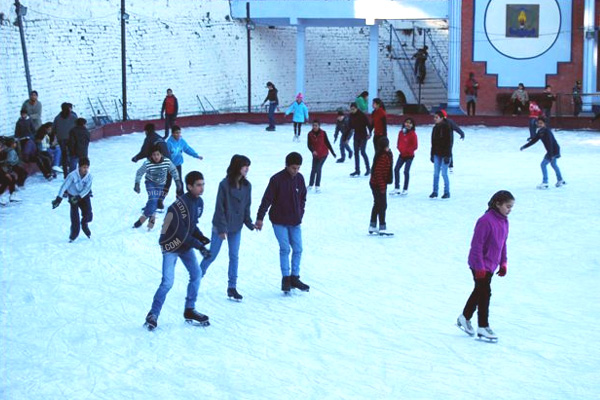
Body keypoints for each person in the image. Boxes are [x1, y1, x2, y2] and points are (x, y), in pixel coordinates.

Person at [144, 171, 212, 331]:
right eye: (198, 185)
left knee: (196, 275)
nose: (202, 188)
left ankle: (189, 310)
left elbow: (191, 225)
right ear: (189, 186)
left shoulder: (199, 202)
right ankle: (152, 314)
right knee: (168, 282)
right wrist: (199, 246)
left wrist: (200, 237)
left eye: (203, 184)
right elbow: (181, 234)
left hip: (185, 246)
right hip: (171, 244)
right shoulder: (177, 207)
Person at [456, 190, 514, 341]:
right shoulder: (485, 220)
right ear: (497, 204)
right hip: (479, 264)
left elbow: (503, 244)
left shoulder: (504, 221)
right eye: (507, 206)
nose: (510, 210)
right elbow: (477, 245)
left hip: (491, 264)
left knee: (479, 291)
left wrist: (503, 262)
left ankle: (464, 317)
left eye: (511, 207)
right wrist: (480, 267)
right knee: (485, 293)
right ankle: (483, 326)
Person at [200, 155, 255, 301]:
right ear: (237, 166)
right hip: (221, 226)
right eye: (245, 165)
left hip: (236, 226)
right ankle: (197, 276)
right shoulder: (224, 185)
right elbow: (220, 208)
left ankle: (232, 287)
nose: (247, 169)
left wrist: (250, 223)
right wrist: (222, 229)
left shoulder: (247, 186)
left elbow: (246, 206)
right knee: (212, 254)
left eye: (248, 166)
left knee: (234, 256)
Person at [255, 152, 309, 294]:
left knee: (298, 249)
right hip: (279, 221)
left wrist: (300, 212)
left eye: (298, 168)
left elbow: (303, 197)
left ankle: (294, 277)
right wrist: (260, 218)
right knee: (285, 248)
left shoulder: (300, 179)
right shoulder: (276, 180)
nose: (295, 171)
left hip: (295, 221)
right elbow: (267, 199)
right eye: (293, 168)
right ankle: (286, 278)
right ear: (286, 166)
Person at [133, 146, 182, 230]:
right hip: (150, 183)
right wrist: (137, 184)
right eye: (154, 155)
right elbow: (139, 172)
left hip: (161, 184)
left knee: (153, 202)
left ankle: (150, 218)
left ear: (161, 154)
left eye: (158, 154)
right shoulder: (147, 163)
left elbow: (173, 170)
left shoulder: (167, 161)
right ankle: (141, 221)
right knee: (153, 199)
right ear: (151, 156)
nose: (156, 157)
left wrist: (177, 181)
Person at [51, 157, 93, 242]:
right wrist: (59, 198)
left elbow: (87, 189)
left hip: (83, 196)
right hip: (73, 196)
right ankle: (73, 235)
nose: (86, 169)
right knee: (74, 217)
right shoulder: (72, 175)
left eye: (87, 167)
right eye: (84, 167)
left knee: (89, 214)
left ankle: (84, 223)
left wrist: (79, 197)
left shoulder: (90, 177)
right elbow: (64, 186)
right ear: (79, 167)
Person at [520, 116, 565, 189]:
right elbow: (534, 140)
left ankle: (545, 182)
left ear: (545, 124)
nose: (539, 125)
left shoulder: (547, 131)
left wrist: (550, 155)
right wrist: (525, 146)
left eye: (541, 123)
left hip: (553, 150)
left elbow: (550, 142)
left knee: (543, 164)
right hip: (552, 150)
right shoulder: (540, 131)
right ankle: (560, 180)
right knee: (553, 165)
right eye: (538, 123)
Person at [164, 125, 203, 201]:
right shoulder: (169, 143)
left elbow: (187, 148)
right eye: (176, 133)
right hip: (169, 166)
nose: (178, 135)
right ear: (172, 134)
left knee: (179, 182)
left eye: (179, 133)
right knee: (167, 183)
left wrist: (196, 155)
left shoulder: (181, 141)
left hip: (178, 165)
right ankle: (159, 201)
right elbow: (165, 155)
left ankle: (180, 199)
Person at [368, 137, 393, 236]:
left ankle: (373, 225)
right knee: (382, 205)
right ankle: (382, 226)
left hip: (378, 183)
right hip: (377, 184)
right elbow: (378, 173)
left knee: (378, 204)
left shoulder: (385, 155)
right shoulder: (382, 157)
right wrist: (382, 187)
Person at [307, 120, 336, 193]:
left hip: (323, 154)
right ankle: (310, 185)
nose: (314, 127)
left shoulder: (323, 133)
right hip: (315, 155)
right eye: (313, 125)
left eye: (316, 125)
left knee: (318, 168)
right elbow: (309, 144)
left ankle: (317, 186)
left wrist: (333, 152)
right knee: (313, 169)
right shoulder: (310, 134)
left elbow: (327, 142)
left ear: (319, 126)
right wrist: (313, 150)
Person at [392, 118, 418, 196]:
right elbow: (399, 142)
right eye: (406, 122)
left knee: (406, 171)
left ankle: (405, 189)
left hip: (409, 156)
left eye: (410, 123)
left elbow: (415, 146)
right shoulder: (400, 133)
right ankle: (397, 187)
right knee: (396, 169)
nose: (408, 124)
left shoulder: (413, 134)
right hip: (402, 155)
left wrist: (407, 151)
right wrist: (400, 149)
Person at [429, 111, 452, 199]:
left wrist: (447, 155)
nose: (435, 119)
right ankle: (435, 191)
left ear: (442, 118)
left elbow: (449, 143)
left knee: (444, 173)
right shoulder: (435, 128)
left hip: (445, 154)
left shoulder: (447, 127)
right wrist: (432, 154)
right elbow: (433, 142)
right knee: (435, 173)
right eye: (434, 117)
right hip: (436, 153)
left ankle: (447, 192)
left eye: (436, 117)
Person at [52, 102, 77, 178]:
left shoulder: (57, 117)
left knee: (64, 156)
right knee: (72, 155)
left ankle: (65, 173)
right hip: (71, 139)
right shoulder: (73, 117)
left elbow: (54, 129)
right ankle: (72, 171)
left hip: (61, 139)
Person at [348, 102, 371, 177]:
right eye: (351, 109)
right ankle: (357, 170)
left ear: (356, 108)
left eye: (353, 109)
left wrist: (369, 133)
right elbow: (350, 127)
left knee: (363, 152)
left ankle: (368, 169)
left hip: (363, 135)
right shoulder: (351, 115)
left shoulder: (362, 115)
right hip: (356, 135)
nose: (352, 110)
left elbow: (368, 124)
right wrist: (346, 137)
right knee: (356, 153)